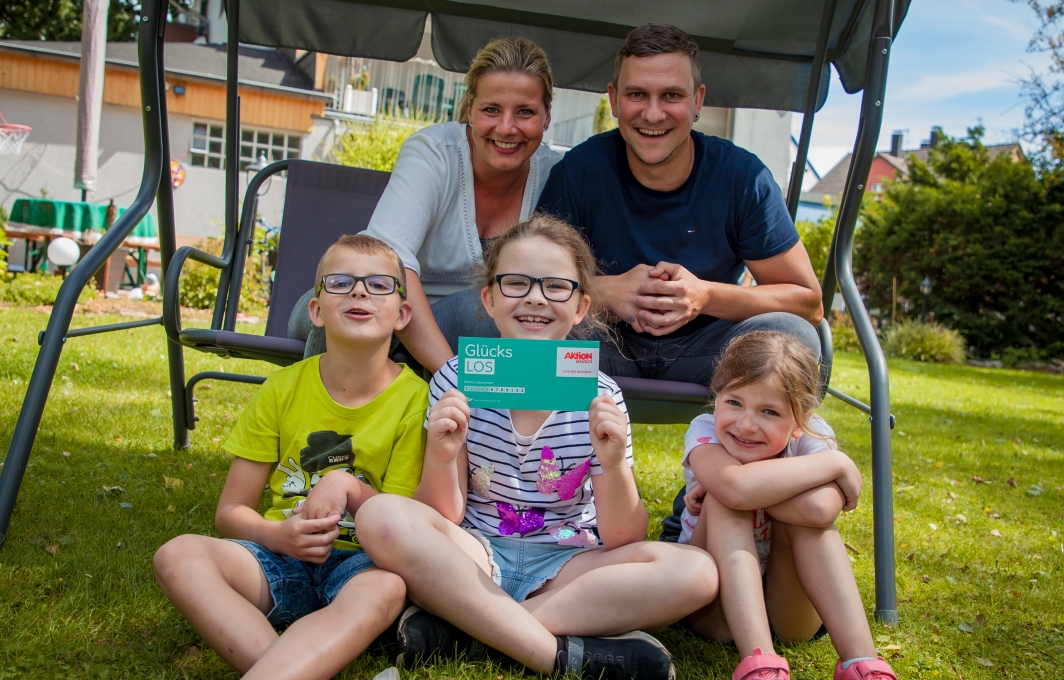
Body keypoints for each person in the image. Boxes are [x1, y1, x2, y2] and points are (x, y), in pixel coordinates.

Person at [354, 215, 718, 680]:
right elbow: (442, 514)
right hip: (476, 554)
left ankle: (474, 630)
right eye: (516, 282)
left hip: (570, 563)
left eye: (556, 287)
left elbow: (624, 538)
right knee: (381, 516)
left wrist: (613, 462)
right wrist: (443, 453)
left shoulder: (601, 397)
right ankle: (558, 649)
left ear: (582, 305)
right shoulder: (454, 381)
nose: (535, 297)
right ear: (488, 299)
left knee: (697, 573)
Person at [153, 235, 429, 680]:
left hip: (364, 563)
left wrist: (347, 486)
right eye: (340, 282)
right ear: (316, 311)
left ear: (402, 314)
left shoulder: (417, 401)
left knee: (388, 587)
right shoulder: (281, 389)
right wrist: (277, 535)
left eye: (379, 284)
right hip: (278, 558)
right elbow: (230, 512)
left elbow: (404, 524)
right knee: (178, 554)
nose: (359, 291)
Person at [536, 24, 824, 387]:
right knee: (518, 329)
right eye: (637, 94)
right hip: (597, 356)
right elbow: (533, 285)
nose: (653, 114)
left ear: (697, 101)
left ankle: (733, 441)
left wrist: (704, 296)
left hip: (713, 357)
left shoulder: (742, 177)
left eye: (671, 95)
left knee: (792, 334)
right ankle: (539, 442)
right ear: (613, 99)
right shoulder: (578, 170)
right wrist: (602, 292)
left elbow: (808, 303)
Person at [296, 36, 561, 371]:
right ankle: (317, 417)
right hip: (373, 298)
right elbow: (387, 265)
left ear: (547, 117)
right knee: (362, 299)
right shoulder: (433, 152)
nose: (506, 128)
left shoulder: (555, 173)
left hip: (468, 325)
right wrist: (451, 377)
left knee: (485, 313)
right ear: (469, 108)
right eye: (491, 109)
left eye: (525, 112)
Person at [678, 331, 897, 680]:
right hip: (715, 612)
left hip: (791, 613)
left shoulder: (814, 435)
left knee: (806, 523)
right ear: (716, 398)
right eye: (734, 402)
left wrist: (756, 492)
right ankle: (760, 662)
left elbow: (819, 511)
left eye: (769, 411)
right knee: (724, 501)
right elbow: (734, 488)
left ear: (800, 420)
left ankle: (861, 663)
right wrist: (836, 465)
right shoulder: (705, 432)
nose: (746, 425)